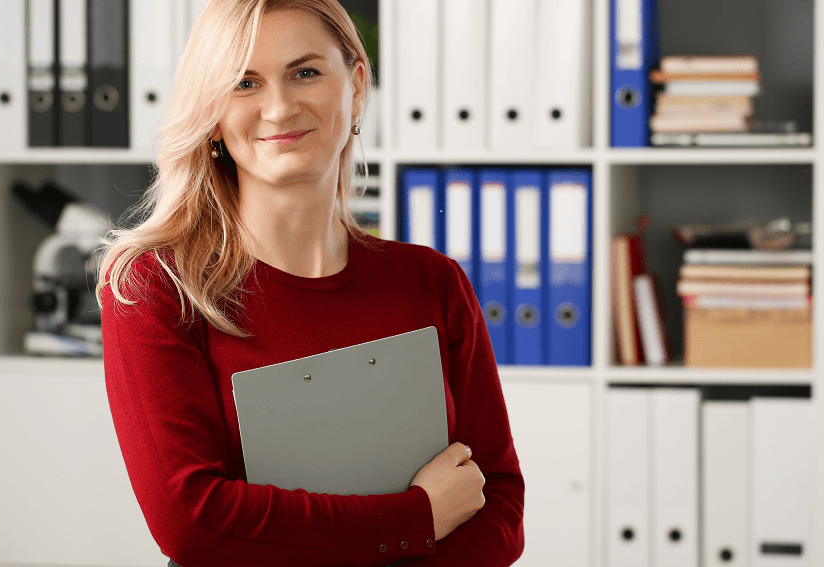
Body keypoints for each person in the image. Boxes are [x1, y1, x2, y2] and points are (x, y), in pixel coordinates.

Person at [97, 0, 524, 565]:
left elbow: (498, 505)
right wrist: (417, 518)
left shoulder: (432, 282)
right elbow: (193, 522)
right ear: (213, 114)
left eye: (305, 72)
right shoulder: (154, 288)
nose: (279, 107)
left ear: (357, 86)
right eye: (244, 83)